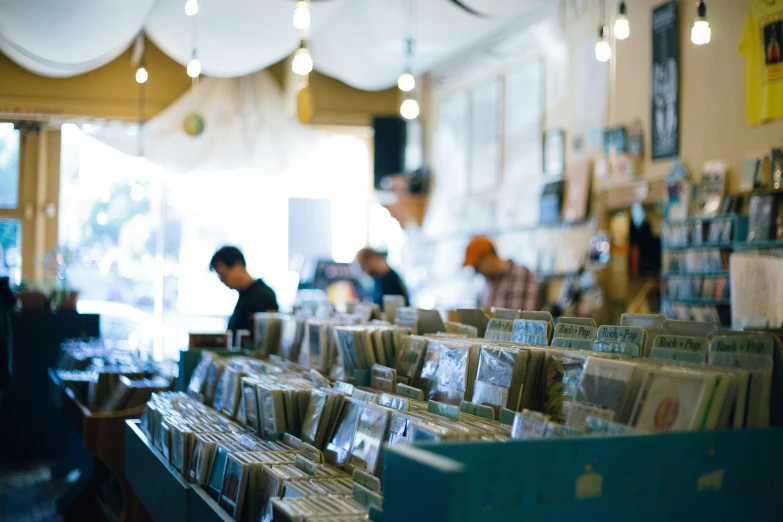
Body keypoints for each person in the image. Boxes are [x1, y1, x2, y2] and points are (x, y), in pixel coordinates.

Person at [210, 246, 278, 332]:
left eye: (224, 275)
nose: (223, 281)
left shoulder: (262, 296)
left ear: (238, 266)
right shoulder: (244, 294)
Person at [462, 236, 539, 311]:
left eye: (477, 266)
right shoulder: (489, 283)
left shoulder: (520, 274)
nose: (477, 272)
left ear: (488, 257)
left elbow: (521, 319)